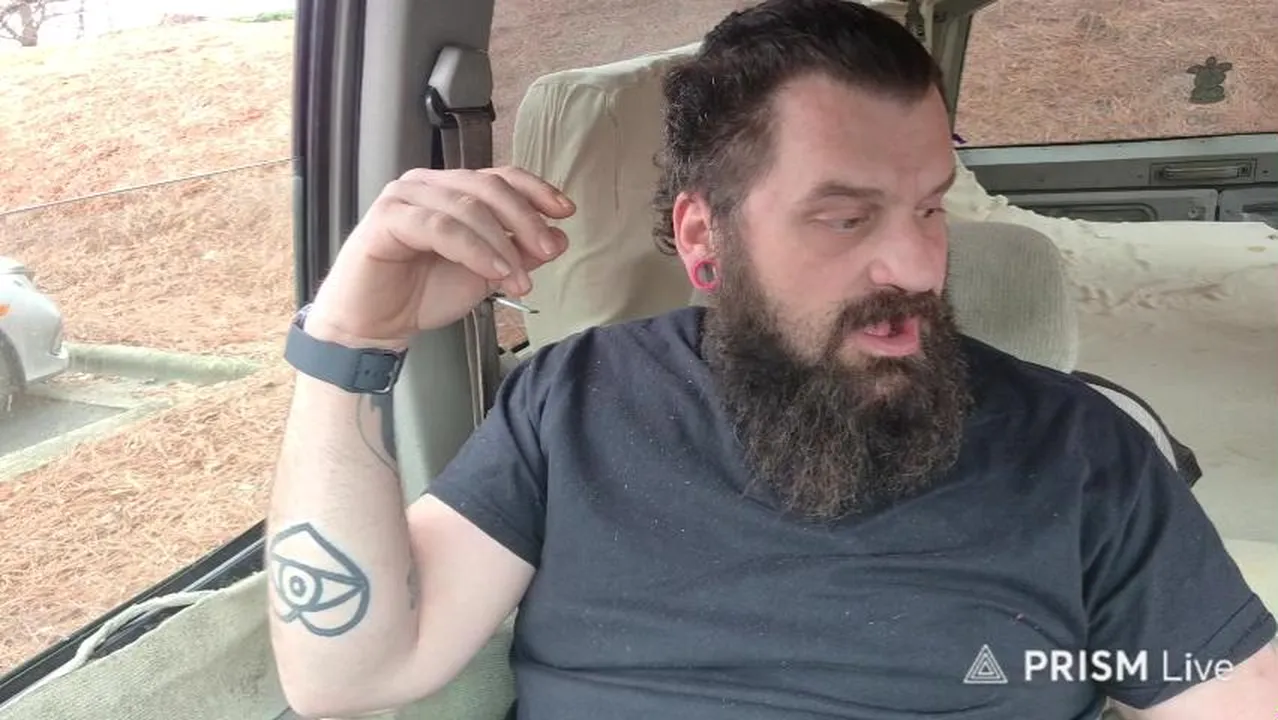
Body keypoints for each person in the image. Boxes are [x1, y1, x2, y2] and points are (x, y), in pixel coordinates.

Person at [266, 1, 1277, 718]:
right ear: (703, 240)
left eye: (931, 206)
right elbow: (346, 674)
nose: (918, 265)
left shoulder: (1081, 453)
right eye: (845, 217)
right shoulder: (571, 403)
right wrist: (352, 340)